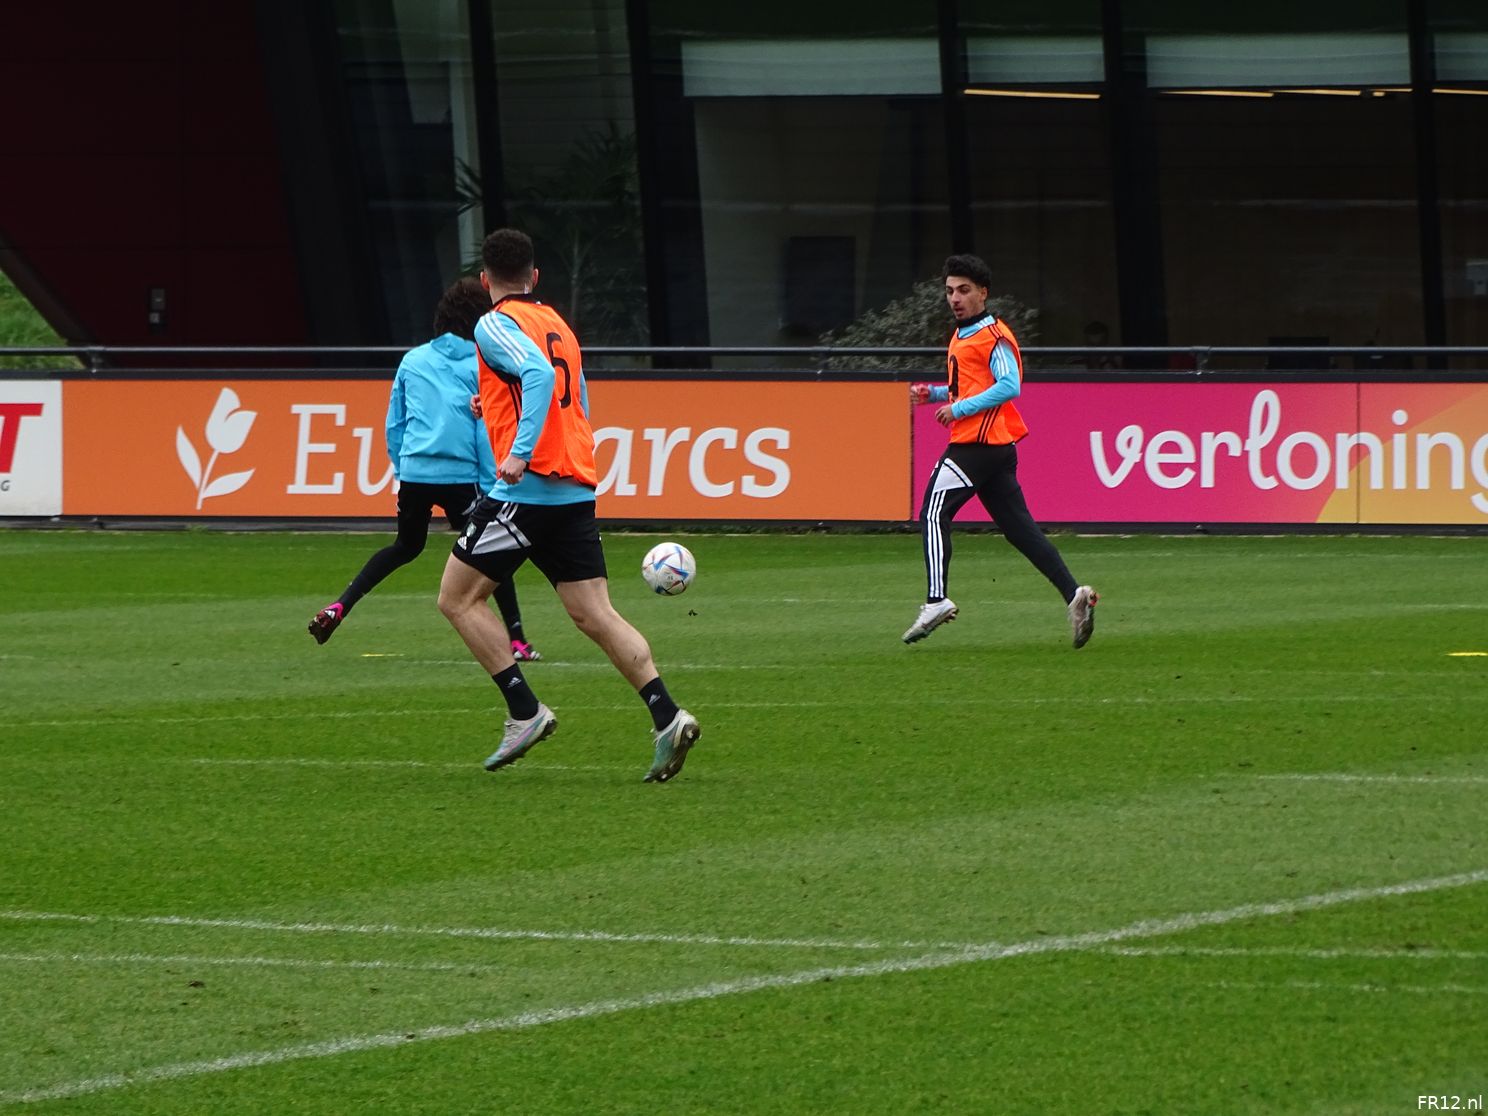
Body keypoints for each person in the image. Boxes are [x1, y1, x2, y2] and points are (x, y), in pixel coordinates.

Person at [436, 228, 700, 782]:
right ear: (536, 277)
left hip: (525, 489)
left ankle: (524, 712)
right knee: (593, 613)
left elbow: (533, 374)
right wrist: (498, 411)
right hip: (574, 486)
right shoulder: (557, 323)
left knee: (457, 600)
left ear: (486, 281)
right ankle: (667, 715)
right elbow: (573, 399)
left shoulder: (493, 323)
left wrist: (520, 453)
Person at [309, 276, 541, 662]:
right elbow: (482, 427)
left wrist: (403, 469)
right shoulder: (479, 362)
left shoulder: (412, 360)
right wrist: (491, 483)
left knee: (405, 546)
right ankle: (516, 640)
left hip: (415, 473)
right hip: (461, 476)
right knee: (490, 551)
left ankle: (340, 606)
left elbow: (394, 424)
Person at [904, 253, 1098, 649]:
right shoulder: (962, 333)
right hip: (993, 448)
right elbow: (972, 387)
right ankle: (1075, 595)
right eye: (949, 291)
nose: (955, 298)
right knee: (1020, 531)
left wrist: (958, 408)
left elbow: (1010, 386)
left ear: (983, 293)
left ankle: (936, 600)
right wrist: (936, 394)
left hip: (978, 445)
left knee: (933, 512)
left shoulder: (993, 335)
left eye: (964, 290)